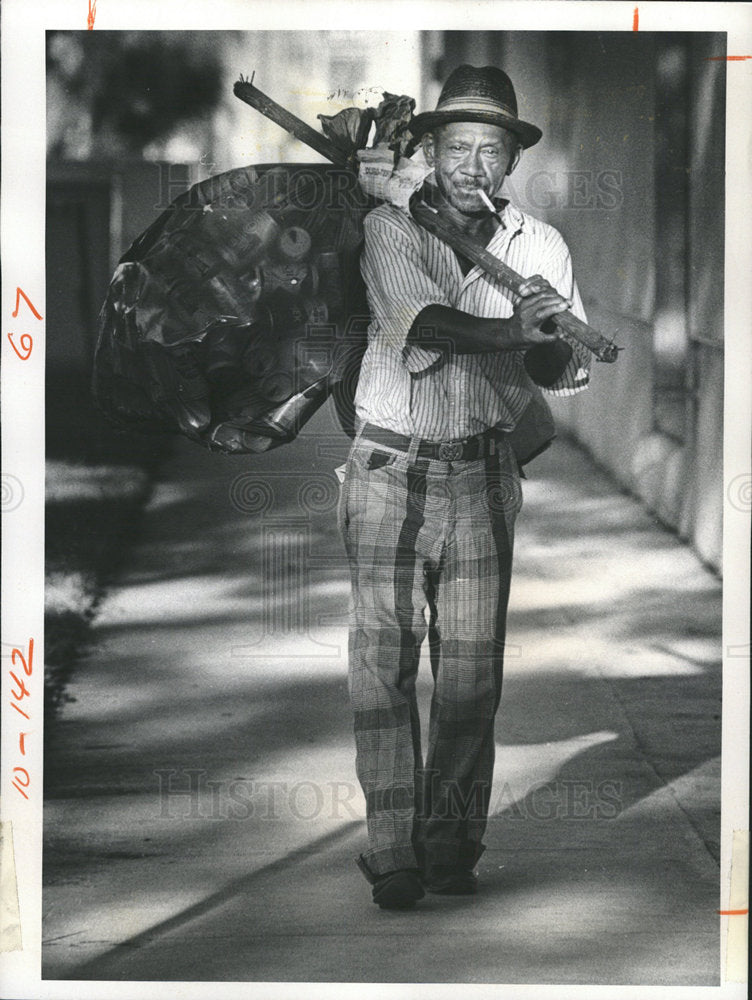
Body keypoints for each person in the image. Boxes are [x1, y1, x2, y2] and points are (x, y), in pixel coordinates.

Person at [337, 64, 591, 909]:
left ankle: (449, 845)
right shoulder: (390, 230)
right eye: (457, 148)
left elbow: (557, 371)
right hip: (387, 470)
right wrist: (512, 325)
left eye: (491, 149)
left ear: (510, 162)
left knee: (472, 679)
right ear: (432, 153)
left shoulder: (540, 247)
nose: (474, 166)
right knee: (384, 668)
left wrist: (554, 335)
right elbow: (426, 326)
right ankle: (392, 852)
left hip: (483, 473)